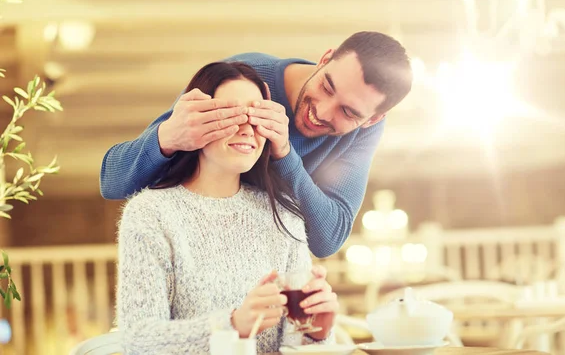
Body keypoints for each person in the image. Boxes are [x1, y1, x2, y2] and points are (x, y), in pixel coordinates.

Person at [102, 31, 413, 258]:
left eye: (348, 112)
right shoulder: (242, 82)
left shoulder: (362, 132)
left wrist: (284, 154)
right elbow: (111, 182)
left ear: (372, 120)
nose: (321, 111)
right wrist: (167, 137)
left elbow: (328, 239)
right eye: (326, 86)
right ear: (325, 59)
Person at [116, 62, 339, 355]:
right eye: (232, 115)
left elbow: (295, 344)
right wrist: (232, 325)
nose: (248, 129)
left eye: (257, 115)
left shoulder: (284, 217)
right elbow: (138, 340)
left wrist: (317, 332)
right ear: (196, 122)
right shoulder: (150, 214)